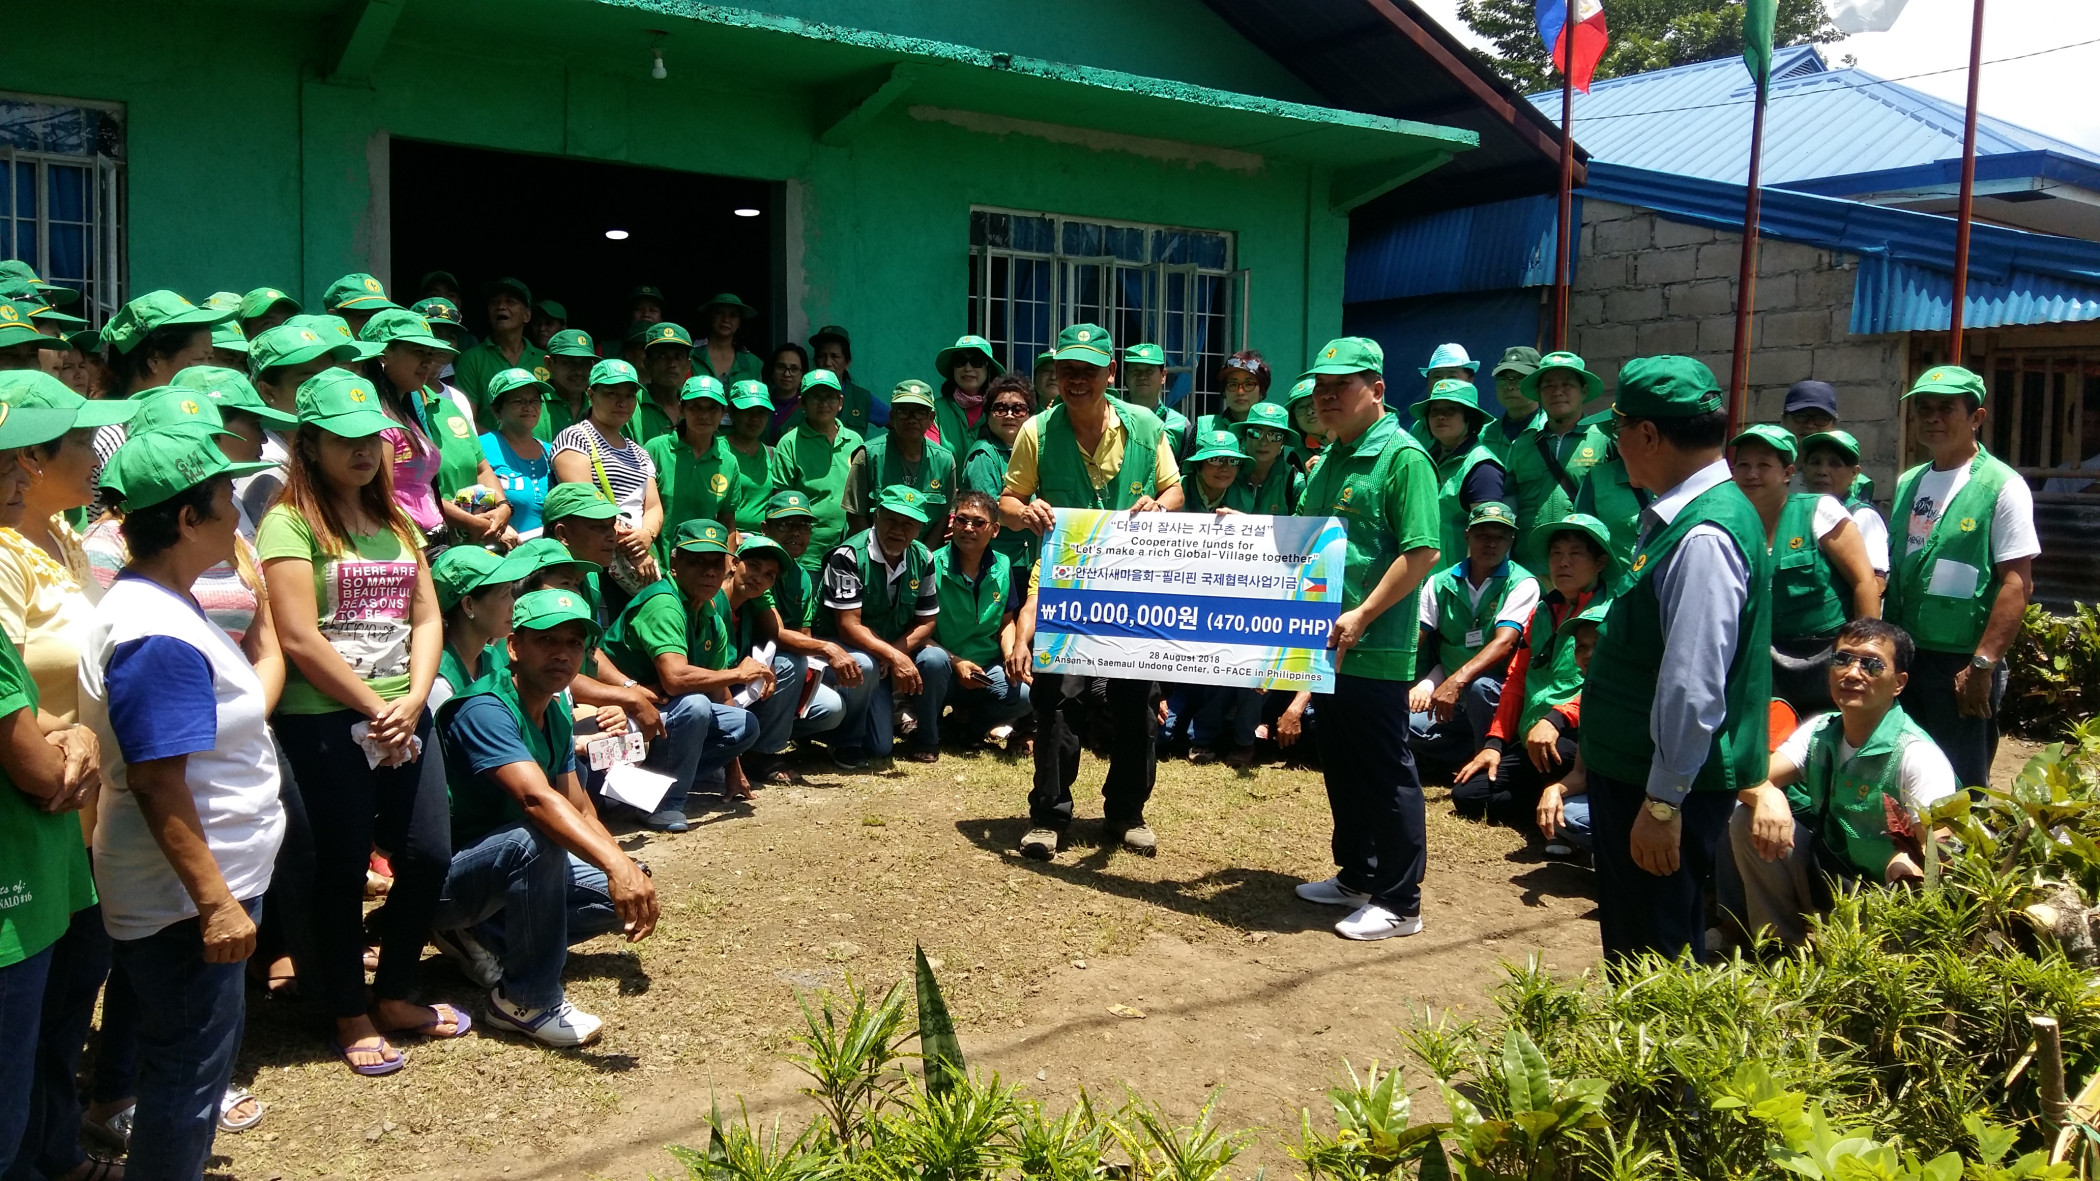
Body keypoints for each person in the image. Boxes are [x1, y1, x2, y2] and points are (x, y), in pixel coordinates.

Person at [77, 428, 282, 1181]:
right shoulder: (154, 632)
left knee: (191, 1066)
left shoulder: (167, 604)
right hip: (185, 902)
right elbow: (159, 780)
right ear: (188, 519)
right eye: (228, 502)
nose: (239, 516)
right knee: (187, 1079)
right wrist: (216, 902)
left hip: (196, 889)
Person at [257, 367, 464, 1075]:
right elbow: (297, 635)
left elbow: (428, 614)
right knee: (340, 871)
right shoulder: (287, 522)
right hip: (325, 723)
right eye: (342, 439)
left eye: (370, 438)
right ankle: (349, 1009)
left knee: (430, 852)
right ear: (308, 443)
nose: (362, 452)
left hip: (402, 716)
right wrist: (376, 706)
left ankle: (397, 988)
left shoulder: (399, 520)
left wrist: (412, 697)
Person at [1580, 355, 1773, 965]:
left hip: (1658, 785)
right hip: (1641, 774)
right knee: (1639, 944)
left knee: (1655, 955)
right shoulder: (1680, 515)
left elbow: (1693, 685)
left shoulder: (1703, 535)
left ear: (1647, 435)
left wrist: (1663, 804)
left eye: (1619, 432)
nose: (1617, 447)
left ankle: (1662, 1068)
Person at [431, 589, 660, 1047]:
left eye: (574, 643)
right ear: (514, 646)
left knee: (623, 896)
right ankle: (525, 999)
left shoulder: (553, 710)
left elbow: (576, 805)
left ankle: (490, 935)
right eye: (547, 640)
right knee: (531, 841)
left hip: (501, 876)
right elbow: (538, 801)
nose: (562, 653)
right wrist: (616, 865)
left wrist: (626, 868)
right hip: (445, 882)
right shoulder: (485, 709)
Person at [1001, 324, 1185, 859]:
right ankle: (1049, 814)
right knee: (1058, 701)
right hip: (1064, 589)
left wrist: (1160, 505)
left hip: (1134, 589)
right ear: (1055, 375)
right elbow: (1008, 502)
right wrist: (1024, 510)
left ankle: (1126, 813)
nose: (1076, 379)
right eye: (1066, 370)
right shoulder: (1036, 431)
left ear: (1110, 373)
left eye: (1088, 370)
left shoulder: (1147, 426)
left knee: (1136, 702)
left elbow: (1174, 490)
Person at [1286, 337, 1440, 940]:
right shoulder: (1328, 459)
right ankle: (1358, 874)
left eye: (1340, 387)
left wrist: (1365, 615)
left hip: (1373, 647)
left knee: (1384, 770)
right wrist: (1243, 530)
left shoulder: (1403, 459)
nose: (1326, 397)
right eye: (1320, 389)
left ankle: (1401, 903)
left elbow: (1421, 550)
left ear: (1376, 390)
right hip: (1325, 646)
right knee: (1342, 765)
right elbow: (1303, 537)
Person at [0, 398, 112, 1181]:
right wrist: (63, 741)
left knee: (64, 1002)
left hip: (73, 818)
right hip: (36, 810)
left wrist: (74, 734)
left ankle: (53, 1147)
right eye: (79, 440)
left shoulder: (66, 537)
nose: (98, 450)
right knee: (20, 1029)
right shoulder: (3, 555)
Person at [1729, 618, 1957, 944]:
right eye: (1842, 659)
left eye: (1872, 665)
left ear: (1899, 683)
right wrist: (1767, 796)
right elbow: (1749, 778)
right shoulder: (1822, 731)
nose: (1852, 673)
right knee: (1745, 816)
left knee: (1908, 872)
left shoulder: (1917, 756)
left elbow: (1939, 856)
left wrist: (1909, 870)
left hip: (1887, 902)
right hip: (1829, 875)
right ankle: (1782, 947)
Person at [1885, 365, 2036, 793]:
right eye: (1923, 408)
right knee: (1904, 771)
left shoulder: (2002, 486)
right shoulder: (1908, 482)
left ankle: (1958, 861)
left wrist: (1983, 665)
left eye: (1946, 408)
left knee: (1960, 783)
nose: (1932, 417)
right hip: (1906, 653)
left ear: (1976, 418)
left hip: (1961, 662)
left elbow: (2017, 584)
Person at [1450, 514, 1609, 847]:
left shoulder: (1610, 614)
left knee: (1561, 754)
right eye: (1555, 554)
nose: (1562, 563)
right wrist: (1493, 745)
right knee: (1469, 795)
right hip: (1533, 737)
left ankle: (1570, 807)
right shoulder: (1542, 610)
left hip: (1579, 737)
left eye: (1575, 554)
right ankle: (1549, 808)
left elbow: (1609, 688)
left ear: (1600, 562)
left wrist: (1557, 718)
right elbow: (1517, 679)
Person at [599, 520, 763, 828]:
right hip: (618, 712)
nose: (709, 571)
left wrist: (733, 768)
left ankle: (651, 785)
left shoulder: (710, 613)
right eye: (697, 561)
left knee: (743, 725)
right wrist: (738, 674)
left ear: (728, 565)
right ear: (675, 563)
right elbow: (675, 679)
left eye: (716, 562)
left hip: (659, 713)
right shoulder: (664, 602)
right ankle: (661, 803)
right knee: (694, 705)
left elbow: (720, 693)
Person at [1729, 425, 1881, 716]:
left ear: (1787, 473)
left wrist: (1862, 657)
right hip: (1763, 662)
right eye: (1743, 465)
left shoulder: (1820, 510)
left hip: (1826, 660)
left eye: (1763, 465)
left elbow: (1865, 582)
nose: (1751, 474)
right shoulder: (1731, 524)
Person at [363, 309, 514, 549]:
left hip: (432, 542)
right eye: (417, 352)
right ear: (383, 354)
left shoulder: (411, 413)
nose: (428, 362)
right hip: (405, 545)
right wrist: (471, 523)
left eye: (430, 354)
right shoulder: (376, 418)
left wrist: (502, 508)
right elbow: (384, 500)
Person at [1407, 502, 1538, 775]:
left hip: (1496, 692)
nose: (1491, 544)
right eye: (1482, 536)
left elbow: (1506, 641)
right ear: (1467, 536)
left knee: (1481, 688)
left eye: (1500, 537)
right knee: (1404, 725)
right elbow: (1415, 638)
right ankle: (1466, 752)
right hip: (1450, 696)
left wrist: (1455, 681)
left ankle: (1484, 757)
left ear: (1512, 540)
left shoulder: (1523, 583)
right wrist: (1408, 685)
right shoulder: (1440, 582)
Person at [816, 485, 941, 768]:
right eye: (892, 520)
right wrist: (894, 657)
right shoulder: (847, 556)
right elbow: (848, 626)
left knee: (881, 747)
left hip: (882, 655)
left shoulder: (924, 558)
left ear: (920, 527)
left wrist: (894, 653)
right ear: (877, 516)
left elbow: (927, 621)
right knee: (865, 664)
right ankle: (843, 740)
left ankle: (916, 730)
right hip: (845, 653)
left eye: (909, 523)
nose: (899, 530)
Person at [716, 533, 845, 787]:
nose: (759, 578)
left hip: (739, 691)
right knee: (792, 665)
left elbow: (774, 634)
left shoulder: (754, 599)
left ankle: (756, 744)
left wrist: (766, 666)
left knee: (831, 709)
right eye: (753, 567)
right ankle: (755, 753)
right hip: (714, 691)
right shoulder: (714, 602)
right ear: (734, 563)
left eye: (769, 575)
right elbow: (711, 676)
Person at [749, 492, 861, 781]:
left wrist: (820, 659)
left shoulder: (802, 575)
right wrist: (828, 648)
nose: (796, 532)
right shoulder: (756, 563)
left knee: (832, 708)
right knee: (791, 664)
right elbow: (775, 633)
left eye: (804, 525)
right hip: (747, 663)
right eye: (785, 525)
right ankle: (762, 754)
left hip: (777, 674)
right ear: (765, 529)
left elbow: (804, 636)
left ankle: (769, 736)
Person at [917, 490, 1032, 760]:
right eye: (961, 520)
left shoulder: (1003, 566)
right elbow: (918, 631)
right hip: (942, 666)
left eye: (978, 523)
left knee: (1024, 693)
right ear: (952, 523)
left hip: (984, 669)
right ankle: (926, 740)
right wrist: (956, 663)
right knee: (932, 660)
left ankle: (966, 730)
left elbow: (1006, 624)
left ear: (994, 530)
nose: (968, 528)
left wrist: (1009, 656)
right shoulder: (930, 564)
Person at [551, 360, 665, 595]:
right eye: (611, 393)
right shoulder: (575, 438)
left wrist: (646, 535)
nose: (621, 402)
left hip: (636, 562)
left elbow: (653, 507)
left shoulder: (640, 453)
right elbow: (587, 503)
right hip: (596, 564)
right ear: (591, 395)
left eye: (629, 395)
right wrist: (634, 548)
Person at [243, 321, 363, 528]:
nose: (323, 391)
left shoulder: (323, 450)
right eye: (307, 382)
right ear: (268, 392)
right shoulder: (266, 467)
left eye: (327, 379)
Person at [1507, 351, 1605, 573]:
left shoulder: (1604, 441)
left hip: (1585, 568)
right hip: (1529, 569)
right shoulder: (1521, 446)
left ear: (1584, 391)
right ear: (1539, 394)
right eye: (1548, 386)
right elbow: (1509, 504)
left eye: (1567, 385)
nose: (1557, 392)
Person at [428, 545, 541, 712]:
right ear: (469, 605)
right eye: (505, 594)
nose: (514, 605)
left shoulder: (490, 657)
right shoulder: (438, 679)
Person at [644, 375, 740, 568]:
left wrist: (728, 564)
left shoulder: (728, 462)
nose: (704, 415)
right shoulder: (656, 450)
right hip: (654, 566)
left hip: (701, 570)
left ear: (723, 412)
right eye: (695, 406)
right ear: (681, 409)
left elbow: (727, 520)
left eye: (712, 408)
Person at [1412, 378, 1507, 572]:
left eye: (1450, 410)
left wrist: (1468, 587)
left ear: (1469, 418)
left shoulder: (1482, 467)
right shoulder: (1426, 458)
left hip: (1453, 583)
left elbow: (1487, 537)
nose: (1440, 417)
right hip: (1422, 578)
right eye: (1434, 411)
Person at [846, 380, 953, 543]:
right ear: (892, 416)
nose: (911, 419)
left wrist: (923, 559)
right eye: (903, 411)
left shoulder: (944, 461)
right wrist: (878, 557)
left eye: (920, 412)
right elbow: (855, 515)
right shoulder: (868, 456)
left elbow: (943, 519)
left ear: (931, 418)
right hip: (872, 552)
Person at [774, 369, 863, 562]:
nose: (823, 403)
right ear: (801, 403)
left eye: (830, 397)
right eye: (815, 397)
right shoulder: (789, 443)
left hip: (850, 550)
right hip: (806, 554)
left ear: (840, 402)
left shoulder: (854, 440)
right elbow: (780, 501)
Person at [959, 375, 1036, 571]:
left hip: (1032, 559)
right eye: (1000, 408)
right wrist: (1027, 514)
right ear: (988, 415)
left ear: (1030, 416)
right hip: (998, 564)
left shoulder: (1036, 452)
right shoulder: (984, 455)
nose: (1009, 415)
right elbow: (988, 514)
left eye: (1018, 409)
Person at [1799, 429, 1889, 580]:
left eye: (1835, 464)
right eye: (1815, 462)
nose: (1822, 471)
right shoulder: (1797, 512)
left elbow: (1875, 584)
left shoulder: (1861, 516)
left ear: (1854, 473)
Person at [480, 369, 553, 542]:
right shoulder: (481, 448)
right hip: (504, 555)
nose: (529, 407)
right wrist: (496, 527)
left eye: (535, 400)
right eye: (518, 401)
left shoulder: (552, 451)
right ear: (497, 410)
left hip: (553, 555)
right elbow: (465, 502)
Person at [451, 278, 549, 406]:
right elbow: (466, 421)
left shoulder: (546, 360)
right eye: (494, 302)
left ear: (527, 315)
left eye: (510, 301)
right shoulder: (471, 360)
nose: (500, 307)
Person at [1570, 412, 1646, 570]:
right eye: (1619, 430)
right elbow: (1580, 537)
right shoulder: (1598, 478)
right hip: (1612, 589)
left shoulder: (1678, 474)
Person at [1780, 379, 1874, 504]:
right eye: (1801, 416)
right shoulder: (1767, 473)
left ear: (1834, 424)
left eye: (1821, 418)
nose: (1810, 425)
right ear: (1783, 419)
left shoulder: (1852, 483)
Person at [724, 381, 784, 535]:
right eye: (747, 411)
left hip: (762, 543)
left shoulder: (773, 455)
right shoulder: (717, 449)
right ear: (731, 412)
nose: (755, 418)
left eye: (761, 412)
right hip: (723, 539)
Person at [807, 325, 886, 438]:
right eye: (821, 356)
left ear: (847, 362)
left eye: (835, 357)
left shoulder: (861, 398)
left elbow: (897, 421)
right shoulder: (806, 396)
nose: (827, 362)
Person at [930, 335, 1001, 460]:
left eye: (977, 362)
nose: (968, 368)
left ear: (988, 369)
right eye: (960, 361)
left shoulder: (1002, 410)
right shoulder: (935, 410)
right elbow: (932, 458)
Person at [1227, 403, 1302, 514]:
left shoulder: (1294, 482)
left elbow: (1302, 526)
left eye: (1274, 436)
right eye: (1256, 433)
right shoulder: (1226, 472)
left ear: (1283, 442)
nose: (1264, 442)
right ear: (1245, 436)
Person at [1118, 343, 1192, 455]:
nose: (1142, 376)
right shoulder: (1111, 417)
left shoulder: (1180, 425)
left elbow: (1186, 470)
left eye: (1149, 371)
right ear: (1125, 376)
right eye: (1135, 371)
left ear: (1163, 376)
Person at [630, 322, 695, 447]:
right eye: (662, 356)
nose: (671, 363)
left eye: (678, 356)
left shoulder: (696, 406)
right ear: (647, 363)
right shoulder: (631, 406)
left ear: (688, 365)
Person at [536, 328, 597, 442]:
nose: (578, 371)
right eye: (568, 362)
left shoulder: (600, 406)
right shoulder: (532, 404)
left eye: (584, 363)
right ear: (549, 364)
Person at [692, 294, 764, 388]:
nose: (726, 319)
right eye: (720, 313)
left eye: (733, 315)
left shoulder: (752, 363)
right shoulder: (691, 355)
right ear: (710, 317)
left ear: (740, 322)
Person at [1483, 346, 1541, 459]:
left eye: (1520, 378)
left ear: (1538, 384)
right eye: (1503, 379)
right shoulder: (1485, 435)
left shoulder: (1553, 433)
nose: (1509, 387)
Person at [1195, 351, 1269, 437]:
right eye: (1233, 384)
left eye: (1249, 384)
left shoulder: (1271, 430)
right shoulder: (1204, 427)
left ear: (1261, 391)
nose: (1240, 392)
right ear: (1224, 390)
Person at [320, 272, 397, 336]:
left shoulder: (391, 352)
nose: (376, 324)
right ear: (334, 317)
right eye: (366, 317)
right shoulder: (321, 353)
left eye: (381, 316)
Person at [761, 343, 810, 439]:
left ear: (803, 375)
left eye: (794, 369)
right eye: (781, 367)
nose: (787, 374)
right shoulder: (759, 401)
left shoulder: (808, 407)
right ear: (772, 370)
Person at [1286, 378, 1325, 465]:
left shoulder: (1353, 438)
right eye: (1301, 408)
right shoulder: (1297, 458)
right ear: (1295, 420)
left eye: (1314, 403)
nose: (1309, 411)